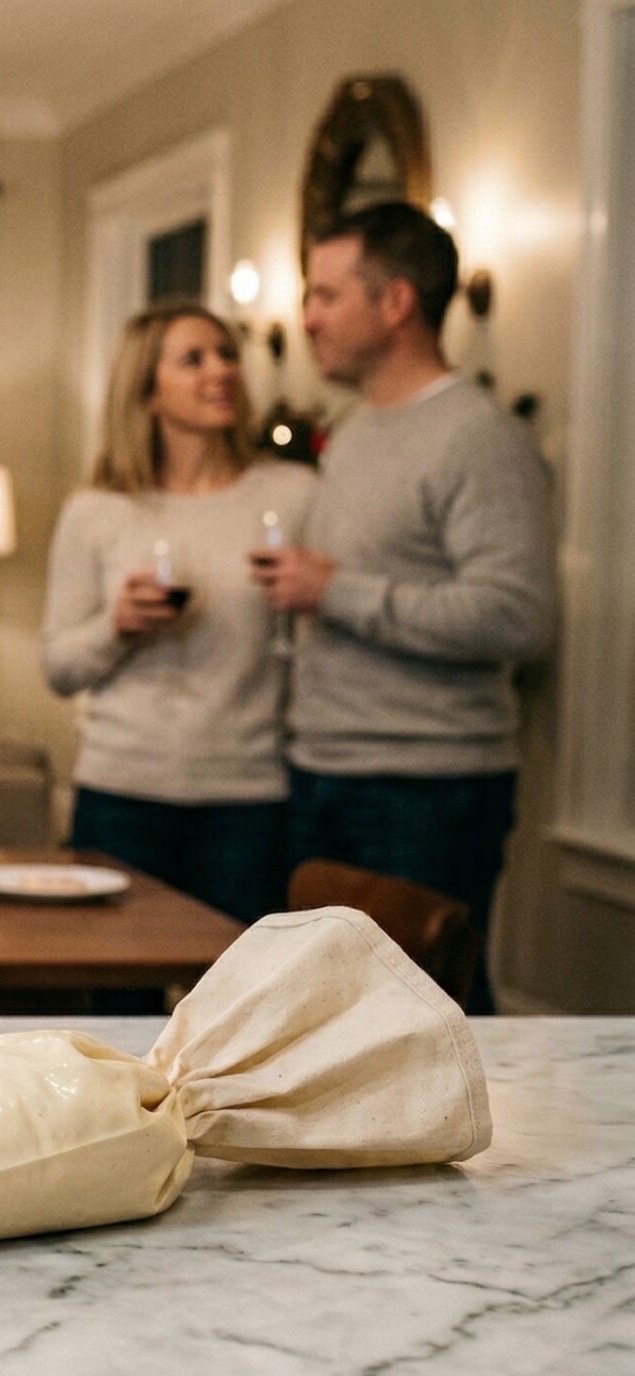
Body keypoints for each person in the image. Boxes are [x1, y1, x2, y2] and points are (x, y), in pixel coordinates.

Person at [255, 200, 557, 1009]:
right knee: (333, 1022)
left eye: (325, 295)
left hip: (426, 786)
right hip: (326, 768)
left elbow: (516, 615)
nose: (307, 317)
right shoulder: (353, 429)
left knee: (422, 1020)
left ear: (395, 302)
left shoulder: (477, 435)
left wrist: (336, 591)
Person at [42, 301, 313, 925]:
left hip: (251, 798)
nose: (219, 371)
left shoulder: (292, 495)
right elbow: (57, 667)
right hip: (121, 796)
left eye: (226, 355)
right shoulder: (97, 510)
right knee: (117, 1009)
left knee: (240, 1006)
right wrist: (117, 628)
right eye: (193, 359)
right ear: (147, 390)